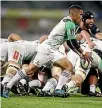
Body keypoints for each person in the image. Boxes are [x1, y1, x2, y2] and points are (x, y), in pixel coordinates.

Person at [3, 5, 92, 98]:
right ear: (74, 14)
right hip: (45, 49)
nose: (82, 17)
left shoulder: (70, 22)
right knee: (30, 69)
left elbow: (69, 42)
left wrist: (80, 53)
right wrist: (84, 52)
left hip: (53, 51)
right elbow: (73, 41)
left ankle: (58, 89)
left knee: (69, 66)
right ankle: (8, 86)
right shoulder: (70, 24)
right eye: (81, 14)